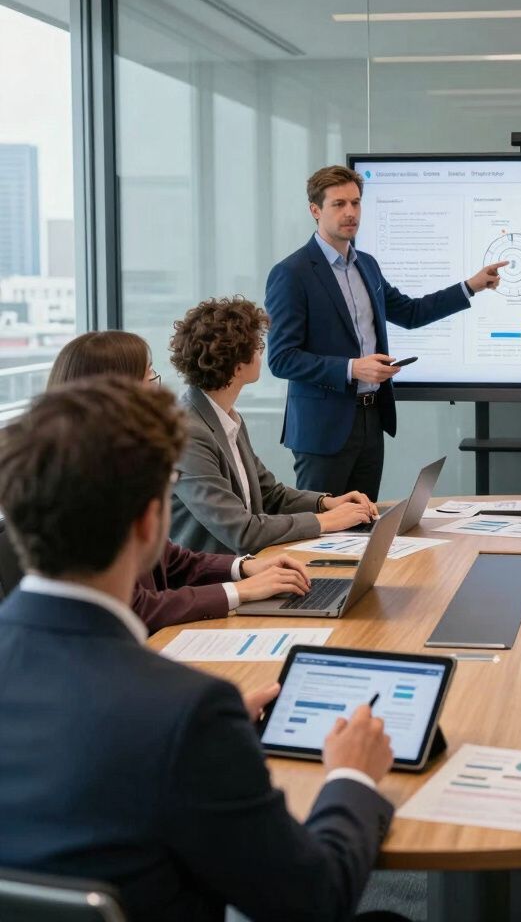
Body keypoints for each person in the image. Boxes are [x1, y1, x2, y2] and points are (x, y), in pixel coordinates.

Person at [0, 376, 399, 922]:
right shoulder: (186, 712)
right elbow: (315, 899)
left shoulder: (185, 715)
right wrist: (351, 775)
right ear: (149, 522)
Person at [265, 164, 508, 500]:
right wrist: (352, 368)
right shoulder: (292, 273)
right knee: (319, 536)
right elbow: (281, 359)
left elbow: (410, 312)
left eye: (356, 203)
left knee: (363, 523)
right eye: (339, 204)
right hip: (323, 430)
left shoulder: (367, 264)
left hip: (370, 419)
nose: (350, 213)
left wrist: (471, 286)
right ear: (315, 210)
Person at [46, 330, 315, 632]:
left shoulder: (114, 466)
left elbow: (169, 560)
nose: (160, 396)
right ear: (116, 395)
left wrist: (244, 568)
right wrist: (239, 591)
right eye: (150, 380)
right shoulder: (83, 490)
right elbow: (135, 606)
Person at [169, 296, 377, 555]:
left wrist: (325, 503)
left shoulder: (226, 417)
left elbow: (271, 495)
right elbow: (242, 531)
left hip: (249, 567)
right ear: (236, 367)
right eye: (257, 346)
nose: (262, 351)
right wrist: (325, 522)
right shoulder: (188, 433)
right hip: (211, 581)